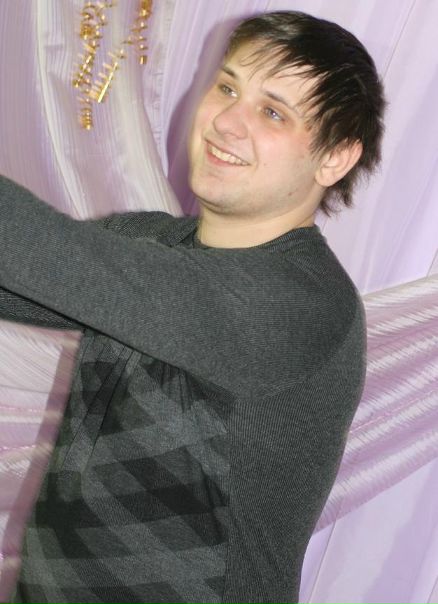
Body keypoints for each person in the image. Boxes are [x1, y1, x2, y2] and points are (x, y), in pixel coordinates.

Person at [0, 10, 385, 604]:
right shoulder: (150, 241)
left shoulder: (305, 306)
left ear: (334, 157)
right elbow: (23, 277)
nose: (227, 121)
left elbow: (48, 255)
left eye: (273, 112)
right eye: (227, 88)